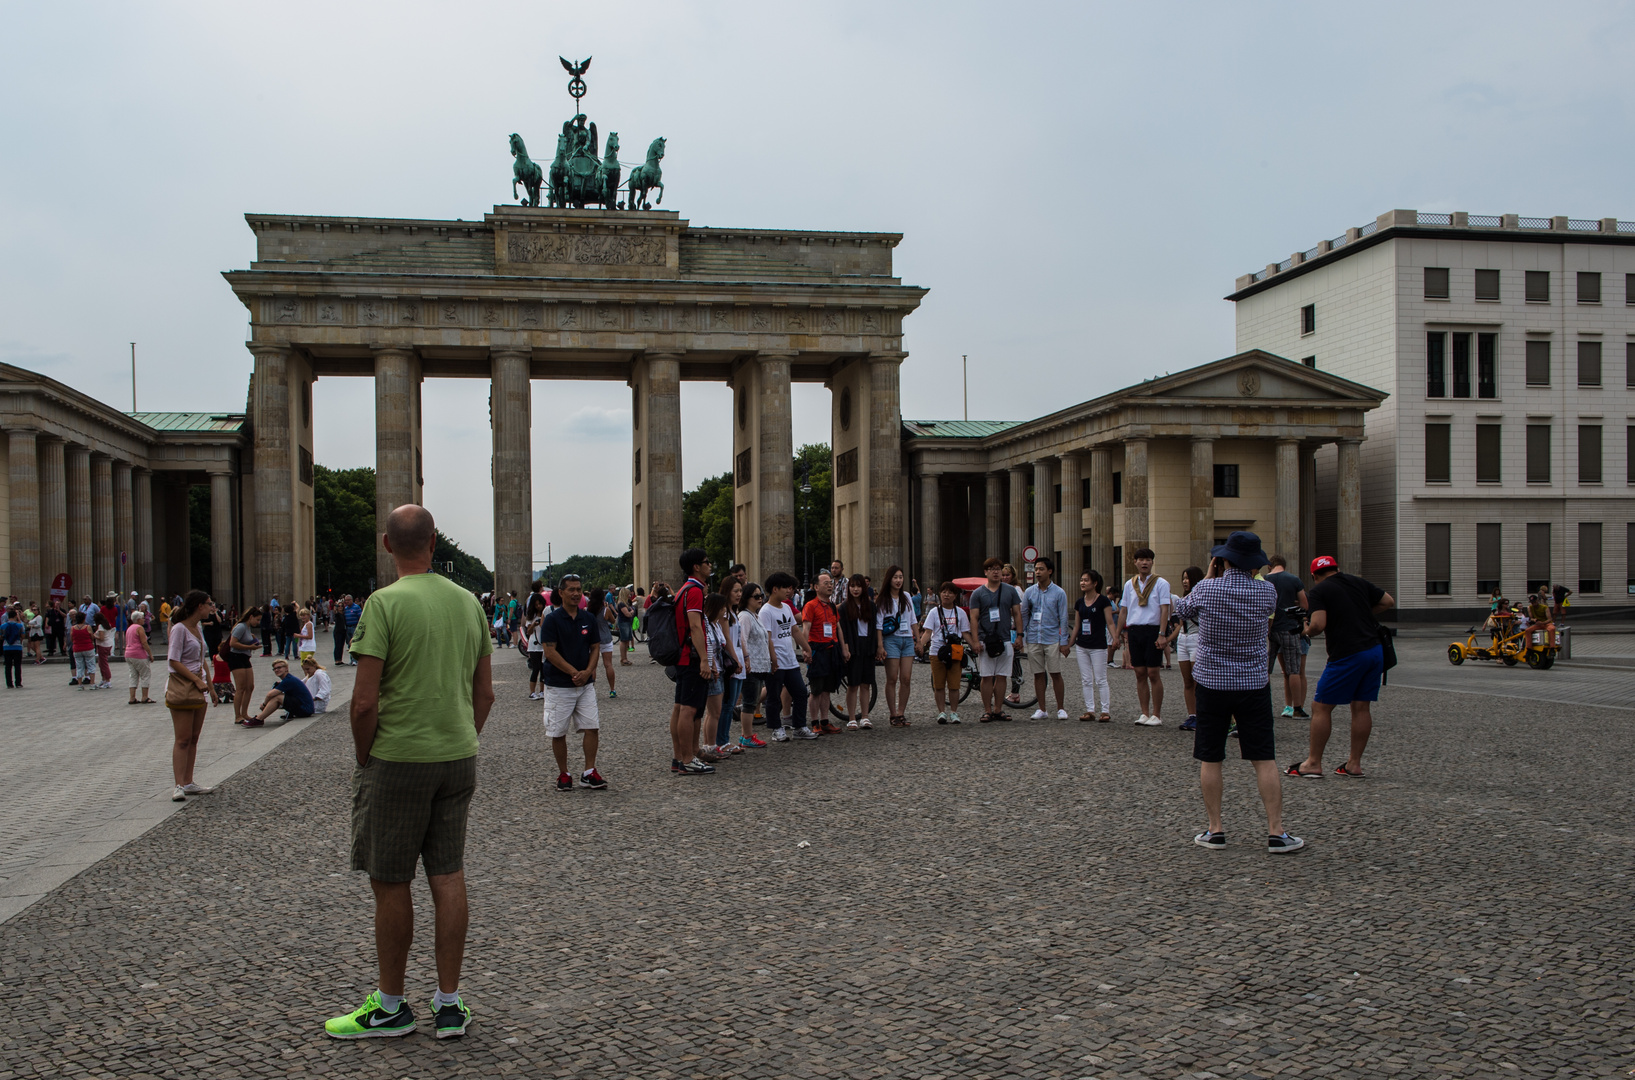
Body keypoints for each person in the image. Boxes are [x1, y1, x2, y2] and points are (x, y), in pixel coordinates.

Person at [326, 504, 494, 1041]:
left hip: (397, 758)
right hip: (457, 756)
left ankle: (393, 1007)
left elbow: (362, 703)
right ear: (435, 543)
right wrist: (463, 735)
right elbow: (484, 692)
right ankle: (449, 1004)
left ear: (385, 544)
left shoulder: (383, 603)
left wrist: (363, 756)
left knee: (391, 880)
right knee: (448, 875)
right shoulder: (469, 603)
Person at [1168, 532, 1303, 854]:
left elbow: (1182, 611)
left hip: (1212, 682)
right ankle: (1276, 831)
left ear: (1222, 559)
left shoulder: (1207, 588)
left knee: (1211, 757)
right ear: (1255, 562)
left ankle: (1215, 829)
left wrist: (1211, 575)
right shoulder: (1266, 591)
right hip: (1253, 682)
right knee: (1263, 758)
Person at [1288, 555, 1395, 780]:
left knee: (1321, 707)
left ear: (1314, 575)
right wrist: (1361, 613)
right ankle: (1353, 764)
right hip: (1374, 650)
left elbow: (1318, 625)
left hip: (1348, 653)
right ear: (1336, 569)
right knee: (1361, 707)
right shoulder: (1358, 582)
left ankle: (1313, 764)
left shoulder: (1319, 591)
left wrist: (1305, 631)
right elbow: (1388, 601)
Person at [539, 574, 607, 792]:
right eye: (571, 589)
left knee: (592, 727)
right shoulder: (552, 619)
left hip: (585, 684)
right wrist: (574, 672)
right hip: (559, 685)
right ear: (561, 593)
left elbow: (595, 646)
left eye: (579, 589)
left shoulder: (588, 618)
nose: (576, 593)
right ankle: (563, 773)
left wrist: (587, 672)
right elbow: (549, 651)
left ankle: (589, 771)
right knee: (558, 732)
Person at [165, 590, 220, 802]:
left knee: (194, 738)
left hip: (200, 688)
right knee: (183, 739)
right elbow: (173, 661)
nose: (211, 607)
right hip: (183, 686)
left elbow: (201, 658)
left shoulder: (196, 628)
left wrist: (211, 686)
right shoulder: (179, 629)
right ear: (199, 606)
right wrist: (197, 680)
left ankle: (188, 781)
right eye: (209, 604)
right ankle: (178, 784)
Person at [669, 548, 717, 773]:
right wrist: (705, 660)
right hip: (692, 657)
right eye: (707, 562)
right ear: (696, 567)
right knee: (689, 709)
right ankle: (687, 759)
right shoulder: (695, 590)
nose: (710, 566)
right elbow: (696, 626)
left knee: (680, 708)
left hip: (682, 655)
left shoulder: (683, 590)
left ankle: (679, 757)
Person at [1114, 547, 1172, 725]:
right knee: (1139, 672)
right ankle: (1144, 713)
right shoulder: (1129, 584)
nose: (1144, 562)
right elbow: (1124, 610)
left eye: (1148, 559)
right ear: (1135, 562)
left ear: (1152, 562)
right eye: (1141, 559)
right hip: (1135, 630)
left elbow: (1164, 609)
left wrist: (1162, 634)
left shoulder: (1161, 583)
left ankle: (1157, 714)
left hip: (1153, 629)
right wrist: (1116, 635)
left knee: (1153, 672)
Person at [760, 571, 813, 742]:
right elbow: (767, 638)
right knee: (774, 696)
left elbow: (794, 630)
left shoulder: (787, 607)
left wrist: (806, 647)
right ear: (775, 589)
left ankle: (799, 726)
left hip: (790, 659)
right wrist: (773, 658)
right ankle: (776, 728)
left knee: (800, 692)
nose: (789, 591)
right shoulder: (766, 611)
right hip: (776, 661)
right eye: (785, 588)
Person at [969, 558, 1023, 724]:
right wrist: (975, 641)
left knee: (1002, 677)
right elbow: (974, 618)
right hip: (986, 640)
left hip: (1005, 639)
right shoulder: (978, 593)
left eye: (998, 569)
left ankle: (998, 709)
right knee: (986, 677)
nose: (996, 572)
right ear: (986, 572)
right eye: (992, 569)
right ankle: (987, 710)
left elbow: (1017, 613)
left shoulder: (1010, 591)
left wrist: (1020, 635)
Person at [1020, 556, 1072, 720]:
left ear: (1049, 571)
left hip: (1052, 638)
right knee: (1038, 674)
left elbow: (1063, 618)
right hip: (1034, 637)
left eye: (1041, 569)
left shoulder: (1059, 592)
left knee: (1055, 673)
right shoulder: (1029, 592)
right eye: (1036, 569)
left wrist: (1064, 641)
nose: (1037, 572)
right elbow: (1024, 614)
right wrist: (1023, 636)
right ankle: (1042, 709)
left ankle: (1060, 708)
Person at [917, 581, 974, 724]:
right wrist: (919, 645)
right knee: (939, 684)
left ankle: (954, 712)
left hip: (955, 653)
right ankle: (941, 712)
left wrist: (974, 645)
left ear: (955, 595)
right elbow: (928, 632)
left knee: (954, 685)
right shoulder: (933, 612)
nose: (946, 595)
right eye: (944, 592)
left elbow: (965, 633)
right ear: (940, 594)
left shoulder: (960, 613)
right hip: (937, 651)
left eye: (950, 592)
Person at [1263, 555, 1310, 720]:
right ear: (1284, 564)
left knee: (1264, 669)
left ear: (1270, 565)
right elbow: (1304, 605)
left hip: (1269, 629)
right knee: (1293, 670)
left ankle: (1263, 706)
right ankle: (1297, 708)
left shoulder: (1265, 580)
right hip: (1289, 629)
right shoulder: (1293, 579)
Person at [801, 572, 844, 736]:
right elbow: (806, 629)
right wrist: (806, 650)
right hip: (817, 649)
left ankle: (825, 721)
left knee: (827, 689)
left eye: (830, 583)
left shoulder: (832, 606)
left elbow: (837, 627)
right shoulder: (810, 606)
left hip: (832, 649)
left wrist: (844, 648)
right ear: (816, 587)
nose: (829, 585)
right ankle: (814, 722)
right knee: (816, 689)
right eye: (825, 583)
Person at [874, 565, 918, 728]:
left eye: (901, 577)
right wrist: (880, 645)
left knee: (905, 678)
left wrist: (918, 640)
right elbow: (878, 625)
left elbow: (913, 619)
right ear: (889, 579)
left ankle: (901, 712)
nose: (898, 580)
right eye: (895, 577)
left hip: (907, 639)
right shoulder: (883, 600)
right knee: (892, 678)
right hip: (890, 640)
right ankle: (893, 714)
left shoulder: (906, 596)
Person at [1162, 567, 1205, 730]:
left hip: (1196, 638)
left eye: (1188, 578)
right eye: (1183, 578)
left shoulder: (1200, 595)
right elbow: (1179, 625)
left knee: (1198, 681)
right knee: (1187, 681)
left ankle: (1202, 715)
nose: (1185, 581)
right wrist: (1168, 640)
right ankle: (1192, 715)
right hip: (1183, 640)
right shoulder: (1182, 599)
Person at [1070, 570, 1115, 721]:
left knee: (1101, 679)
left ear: (1095, 583)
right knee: (1086, 679)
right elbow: (1076, 626)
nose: (1082, 583)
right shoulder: (1079, 602)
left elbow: (1109, 622)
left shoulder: (1103, 601)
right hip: (1082, 645)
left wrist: (1115, 638)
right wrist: (1069, 644)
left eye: (1086, 580)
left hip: (1098, 645)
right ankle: (1090, 710)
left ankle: (1105, 710)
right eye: (1081, 580)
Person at [710, 579, 746, 755]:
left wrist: (745, 657)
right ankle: (721, 741)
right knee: (727, 704)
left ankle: (724, 739)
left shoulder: (733, 611)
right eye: (736, 591)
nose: (739, 594)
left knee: (731, 703)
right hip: (731, 660)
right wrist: (735, 660)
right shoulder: (724, 613)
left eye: (740, 591)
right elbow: (727, 639)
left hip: (737, 658)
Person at [839, 574, 877, 729]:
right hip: (853, 646)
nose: (855, 589)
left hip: (867, 646)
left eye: (858, 586)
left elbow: (874, 627)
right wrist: (845, 647)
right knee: (853, 684)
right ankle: (852, 717)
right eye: (852, 586)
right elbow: (843, 629)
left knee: (866, 683)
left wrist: (877, 646)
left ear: (864, 588)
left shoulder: (871, 606)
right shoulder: (844, 607)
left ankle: (865, 716)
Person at [736, 582, 770, 747]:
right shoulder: (745, 616)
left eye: (761, 595)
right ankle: (746, 736)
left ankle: (747, 735)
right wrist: (746, 658)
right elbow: (742, 639)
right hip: (752, 666)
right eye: (756, 596)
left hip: (760, 665)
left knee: (753, 699)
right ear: (746, 598)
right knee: (750, 702)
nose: (760, 599)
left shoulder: (754, 616)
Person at [249, 657, 316, 725]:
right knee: (277, 696)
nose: (277, 670)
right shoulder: (288, 678)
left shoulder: (288, 680)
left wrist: (264, 705)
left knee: (277, 697)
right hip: (305, 708)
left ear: (286, 668)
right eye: (274, 669)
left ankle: (259, 719)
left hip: (306, 710)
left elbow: (269, 694)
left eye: (279, 668)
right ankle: (260, 718)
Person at [227, 608, 262, 725]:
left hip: (245, 657)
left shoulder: (247, 627)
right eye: (257, 620)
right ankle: (238, 715)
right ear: (250, 617)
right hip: (236, 657)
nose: (258, 622)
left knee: (250, 686)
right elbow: (232, 643)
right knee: (240, 687)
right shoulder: (241, 626)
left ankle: (244, 712)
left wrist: (253, 642)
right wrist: (250, 647)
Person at [588, 588, 617, 697]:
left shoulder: (589, 610)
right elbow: (613, 621)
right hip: (605, 638)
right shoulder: (605, 610)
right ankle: (612, 689)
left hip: (593, 639)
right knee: (608, 664)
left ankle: (591, 690)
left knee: (593, 666)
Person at [524, 591, 547, 700]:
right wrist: (533, 624)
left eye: (540, 604)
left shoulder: (545, 614)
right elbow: (528, 632)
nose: (539, 606)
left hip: (544, 644)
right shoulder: (530, 616)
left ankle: (542, 691)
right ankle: (532, 692)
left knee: (543, 668)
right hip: (534, 645)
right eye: (536, 605)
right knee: (536, 668)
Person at [126, 613, 154, 704]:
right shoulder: (139, 628)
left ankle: (132, 697)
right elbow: (144, 642)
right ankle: (145, 697)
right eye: (142, 618)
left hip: (128, 654)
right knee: (145, 674)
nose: (144, 620)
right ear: (138, 620)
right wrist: (150, 654)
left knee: (133, 675)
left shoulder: (129, 628)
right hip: (139, 654)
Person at [69, 611, 96, 687]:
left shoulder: (73, 628)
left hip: (77, 648)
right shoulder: (88, 627)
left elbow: (71, 639)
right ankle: (92, 683)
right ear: (84, 619)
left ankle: (80, 684)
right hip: (88, 648)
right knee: (90, 665)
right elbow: (92, 637)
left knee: (79, 666)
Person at [92, 613, 115, 689]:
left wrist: (94, 636)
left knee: (103, 664)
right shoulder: (106, 624)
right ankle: (104, 679)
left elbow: (101, 638)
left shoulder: (101, 626)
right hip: (108, 644)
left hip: (103, 645)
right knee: (101, 663)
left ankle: (108, 681)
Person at [1, 608, 23, 689]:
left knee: (8, 666)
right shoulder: (19, 625)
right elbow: (23, 635)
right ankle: (18, 683)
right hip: (17, 647)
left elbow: (1, 636)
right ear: (15, 616)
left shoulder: (3, 626)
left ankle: (9, 684)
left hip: (7, 647)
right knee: (17, 665)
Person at [615, 587, 637, 666]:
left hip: (626, 622)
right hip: (624, 622)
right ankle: (623, 658)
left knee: (626, 640)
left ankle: (625, 658)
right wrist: (632, 612)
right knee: (624, 640)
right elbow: (627, 614)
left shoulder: (625, 603)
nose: (630, 595)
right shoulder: (622, 604)